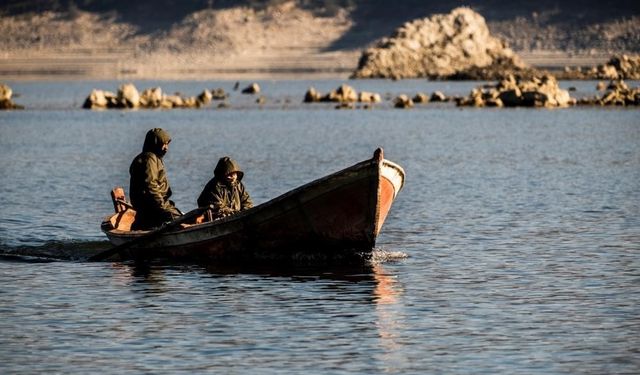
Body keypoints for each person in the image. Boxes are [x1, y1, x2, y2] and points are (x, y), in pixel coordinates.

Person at [129, 128, 182, 230]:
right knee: (178, 219)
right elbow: (150, 185)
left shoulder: (154, 158)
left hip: (155, 206)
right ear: (155, 143)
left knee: (181, 216)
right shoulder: (149, 159)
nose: (166, 148)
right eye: (163, 144)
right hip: (152, 207)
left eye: (167, 144)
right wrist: (162, 207)